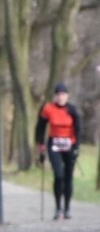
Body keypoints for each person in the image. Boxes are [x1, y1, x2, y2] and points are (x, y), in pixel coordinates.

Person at [36, 82, 80, 220]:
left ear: (67, 96)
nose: (61, 97)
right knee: (59, 175)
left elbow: (79, 129)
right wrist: (41, 145)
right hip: (54, 144)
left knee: (68, 176)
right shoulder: (48, 108)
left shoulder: (72, 110)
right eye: (58, 95)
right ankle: (58, 208)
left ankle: (67, 208)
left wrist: (77, 146)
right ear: (54, 96)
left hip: (69, 145)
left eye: (63, 95)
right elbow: (40, 127)